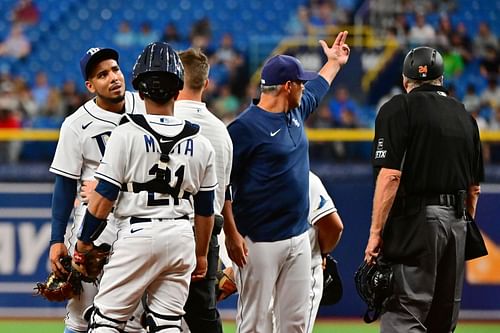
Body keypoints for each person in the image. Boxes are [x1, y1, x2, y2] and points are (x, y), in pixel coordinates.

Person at [72, 41, 216, 333]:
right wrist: (201, 254)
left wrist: (84, 243)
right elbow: (204, 211)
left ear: (139, 88)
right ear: (178, 89)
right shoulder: (202, 143)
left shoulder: (125, 134)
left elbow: (102, 199)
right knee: (166, 323)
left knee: (106, 320)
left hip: (137, 234)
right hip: (181, 237)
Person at [225, 30, 350, 333]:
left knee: (294, 324)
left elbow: (319, 88)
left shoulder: (295, 111)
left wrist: (333, 62)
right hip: (259, 241)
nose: (304, 88)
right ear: (288, 86)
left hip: (298, 238)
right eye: (300, 83)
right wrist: (231, 234)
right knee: (254, 324)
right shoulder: (244, 128)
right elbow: (222, 185)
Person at [363, 46, 484, 332]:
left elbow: (391, 175)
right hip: (456, 223)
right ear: (441, 79)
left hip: (416, 223)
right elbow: (474, 188)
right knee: (443, 321)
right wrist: (460, 226)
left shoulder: (398, 107)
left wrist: (376, 234)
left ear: (406, 81)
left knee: (405, 314)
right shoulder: (466, 117)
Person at [48, 47, 146, 333]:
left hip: (136, 219)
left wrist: (112, 189)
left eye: (115, 69)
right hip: (93, 227)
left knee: (133, 319)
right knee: (80, 314)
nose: (113, 78)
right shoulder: (76, 124)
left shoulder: (145, 105)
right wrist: (57, 239)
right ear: (90, 86)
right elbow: (65, 184)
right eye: (102, 75)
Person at [174, 47, 233, 333]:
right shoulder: (222, 132)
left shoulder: (159, 121)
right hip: (207, 236)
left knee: (157, 315)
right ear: (206, 83)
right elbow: (223, 195)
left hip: (164, 227)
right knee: (203, 316)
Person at [266, 171, 344, 333]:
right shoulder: (250, 174)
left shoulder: (305, 178)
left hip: (300, 272)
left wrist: (321, 253)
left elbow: (334, 227)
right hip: (265, 276)